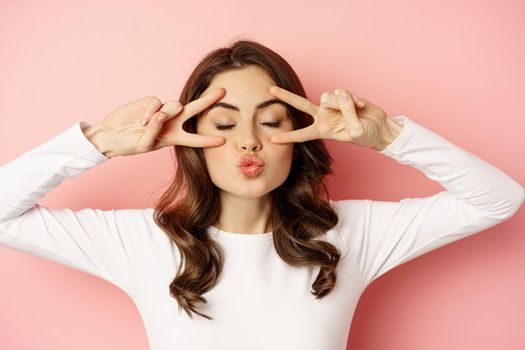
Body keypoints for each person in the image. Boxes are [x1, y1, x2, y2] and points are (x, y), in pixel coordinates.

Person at [0, 39, 523, 350]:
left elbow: (497, 198)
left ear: (300, 137)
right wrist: (97, 144)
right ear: (193, 143)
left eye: (271, 122)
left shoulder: (350, 234)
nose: (249, 140)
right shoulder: (142, 241)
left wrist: (388, 137)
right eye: (225, 124)